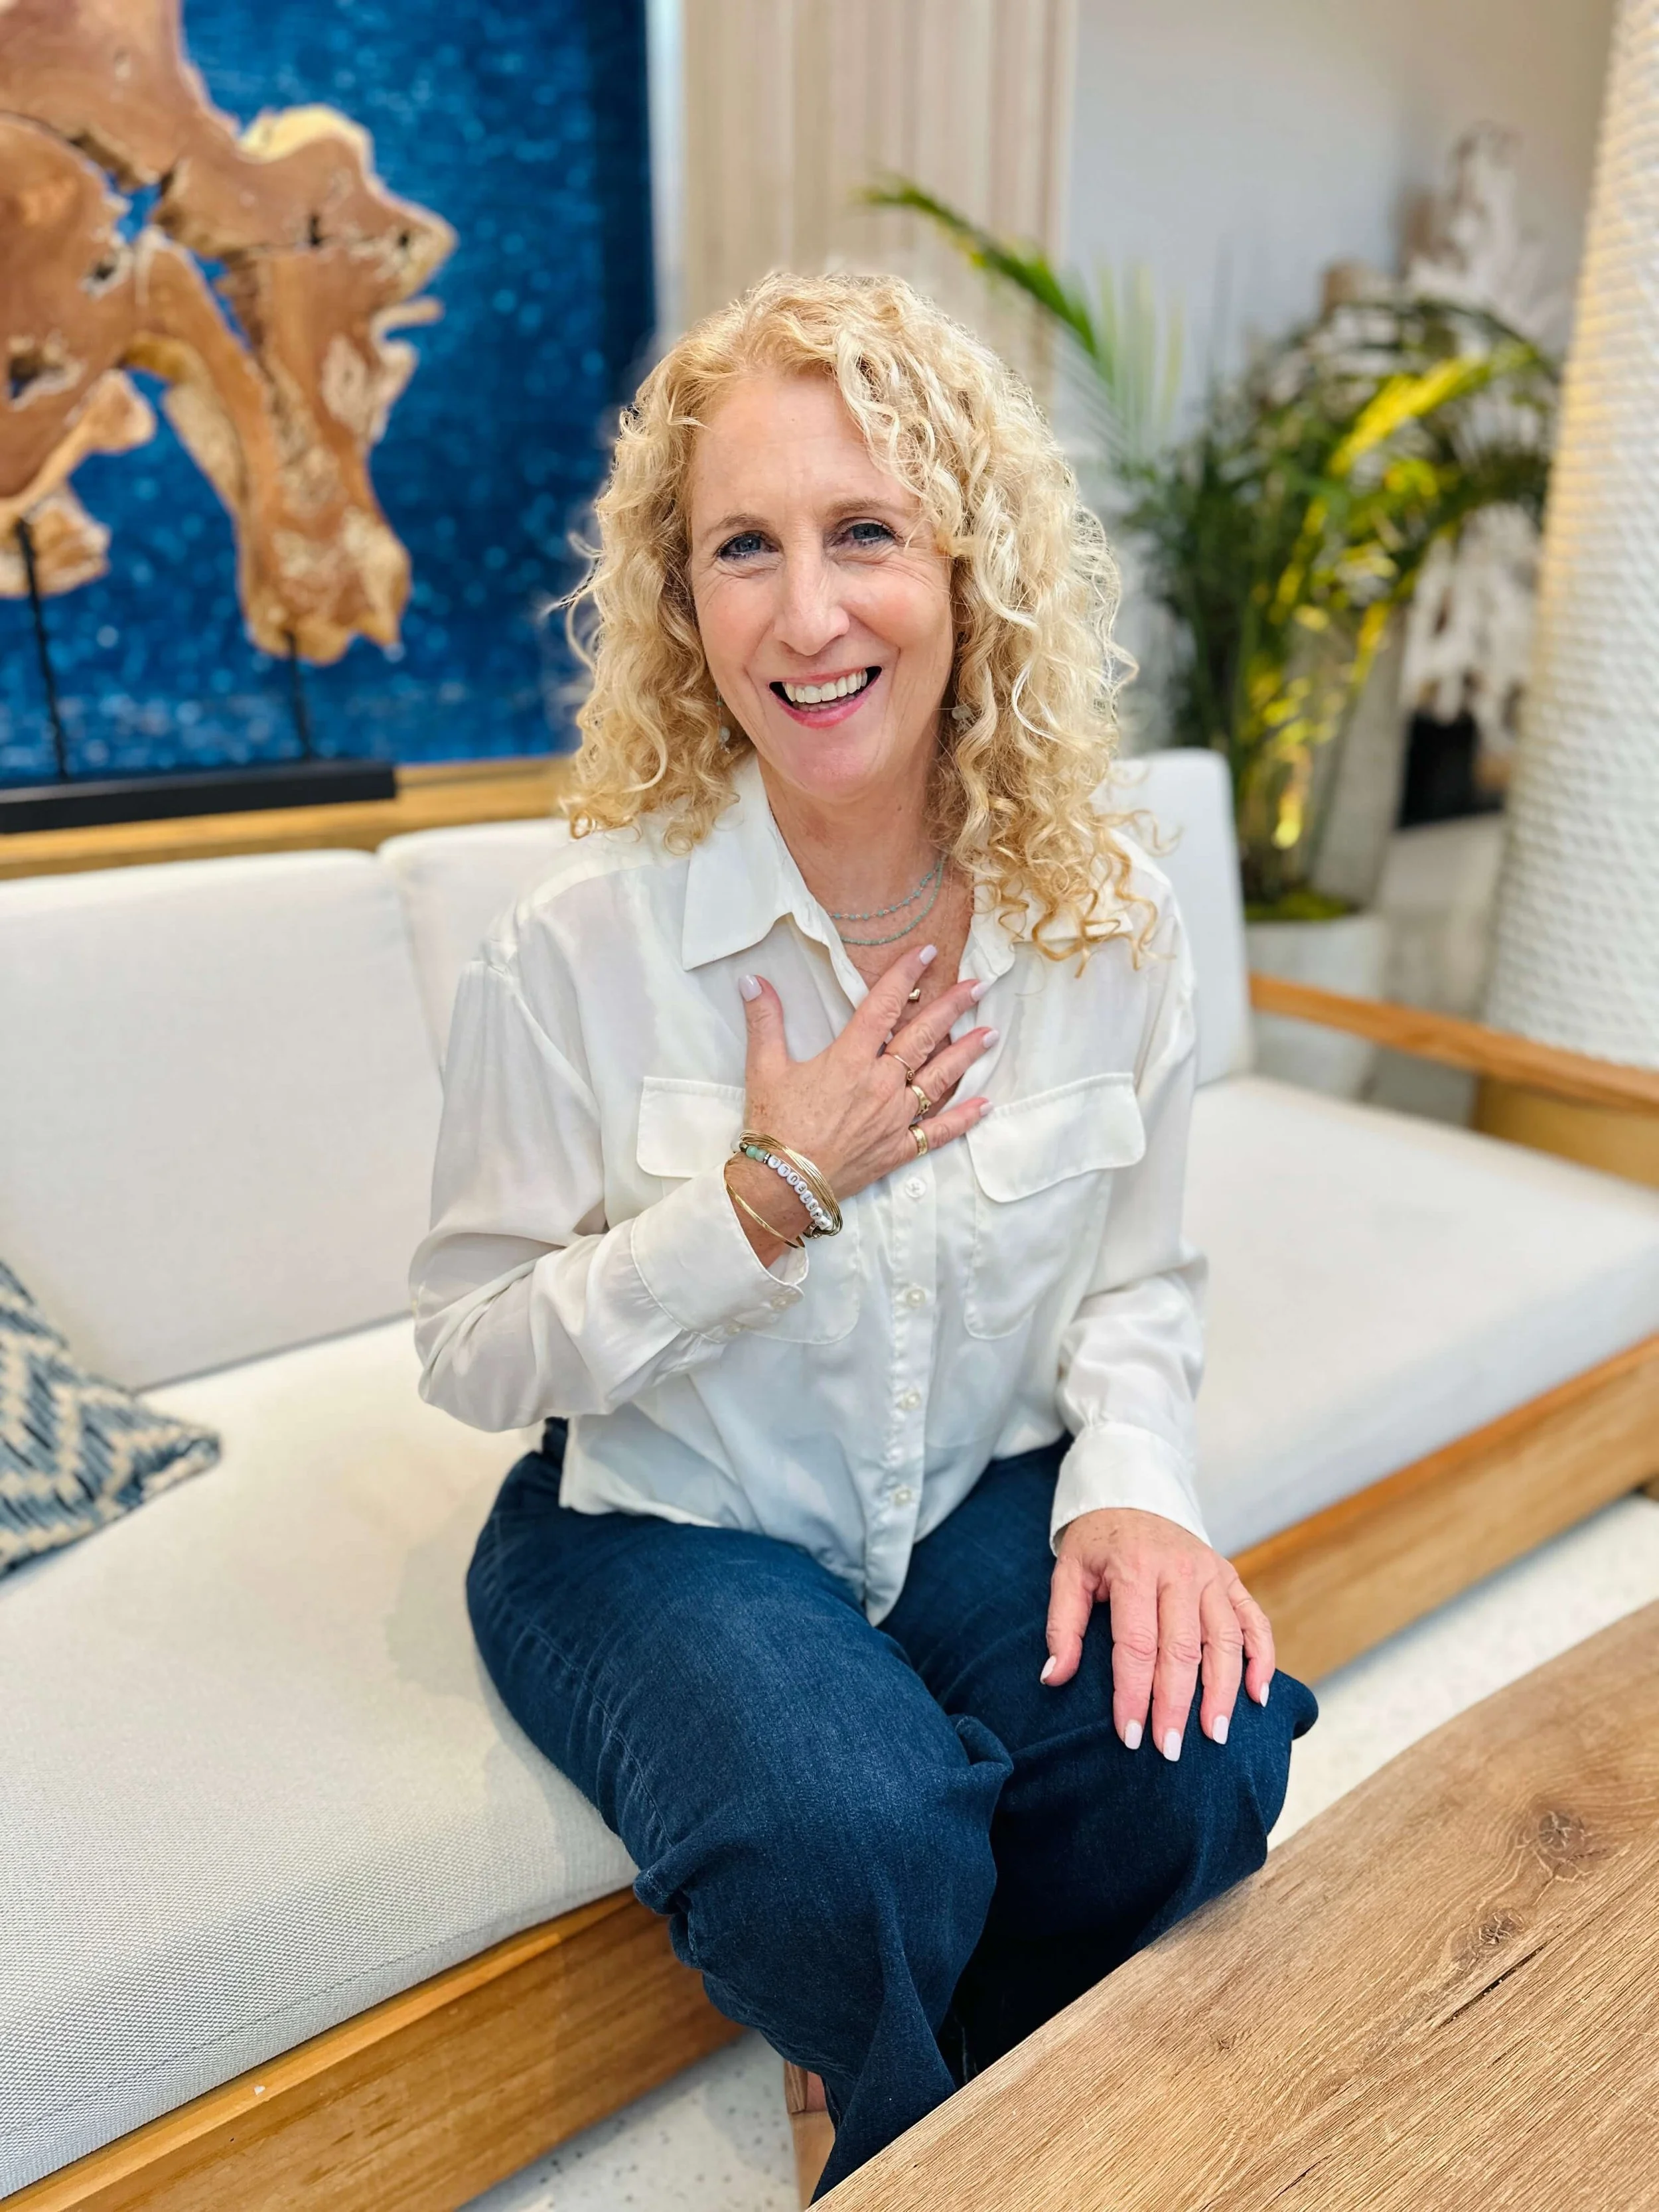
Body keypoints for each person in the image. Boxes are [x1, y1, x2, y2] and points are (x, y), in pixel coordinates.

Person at [411, 269, 1317, 2203]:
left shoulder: (1107, 921)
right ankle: (916, 2122)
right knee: (847, 1838)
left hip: (972, 1482)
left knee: (1194, 1756)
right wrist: (759, 1200)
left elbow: (1138, 1280)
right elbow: (470, 1347)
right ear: (682, 602)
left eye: (865, 534)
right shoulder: (575, 949)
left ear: (971, 567)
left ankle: (959, 2101)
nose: (806, 614)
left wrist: (1139, 1490)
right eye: (743, 546)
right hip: (662, 1516)